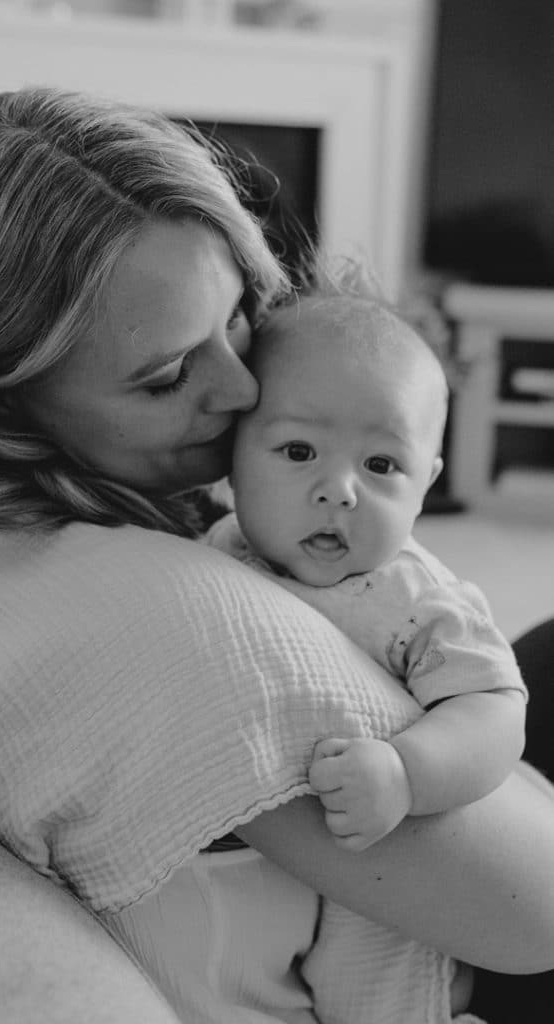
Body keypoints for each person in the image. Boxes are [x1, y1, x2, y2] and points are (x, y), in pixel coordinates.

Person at [0, 87, 553, 1024]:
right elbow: (534, 914)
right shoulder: (163, 624)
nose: (241, 391)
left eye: (235, 320)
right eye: (165, 376)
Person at [208, 290, 527, 852]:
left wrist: (407, 773)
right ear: (233, 458)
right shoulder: (220, 545)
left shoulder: (418, 602)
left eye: (380, 465)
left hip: (376, 852)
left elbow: (495, 712)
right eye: (299, 451)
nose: (339, 490)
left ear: (424, 487)